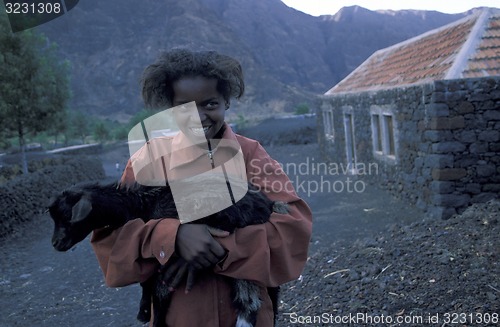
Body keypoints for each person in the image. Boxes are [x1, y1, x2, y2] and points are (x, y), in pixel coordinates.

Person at [90, 48, 312, 327]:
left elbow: (292, 229)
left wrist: (214, 246)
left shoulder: (250, 154)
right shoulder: (148, 160)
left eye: (209, 104)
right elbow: (112, 239)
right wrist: (172, 237)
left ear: (225, 102)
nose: (198, 118)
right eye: (184, 108)